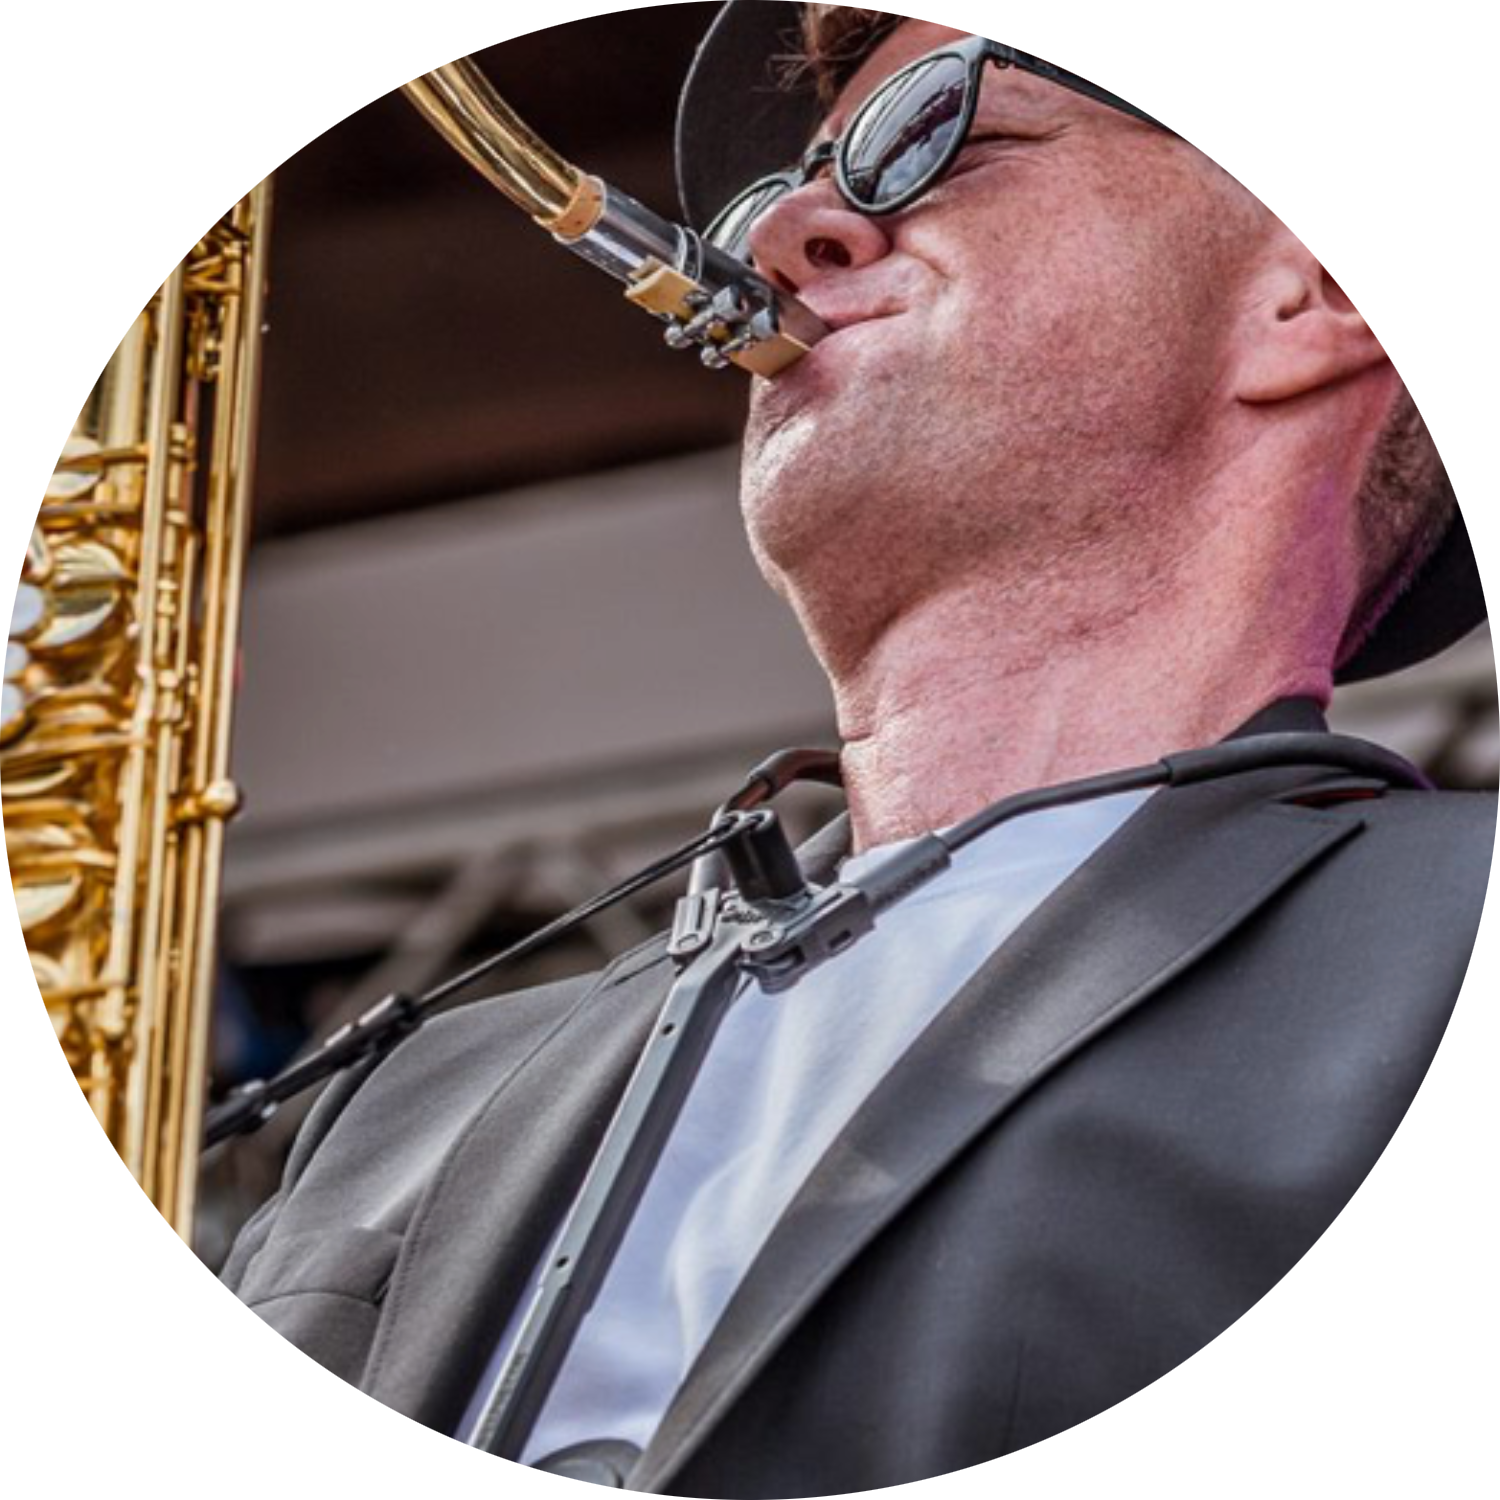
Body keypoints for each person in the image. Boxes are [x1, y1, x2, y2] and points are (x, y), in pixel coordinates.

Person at [221, 6, 1492, 1491]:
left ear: (1309, 296)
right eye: (782, 189)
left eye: (939, 134)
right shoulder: (404, 1101)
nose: (779, 237)